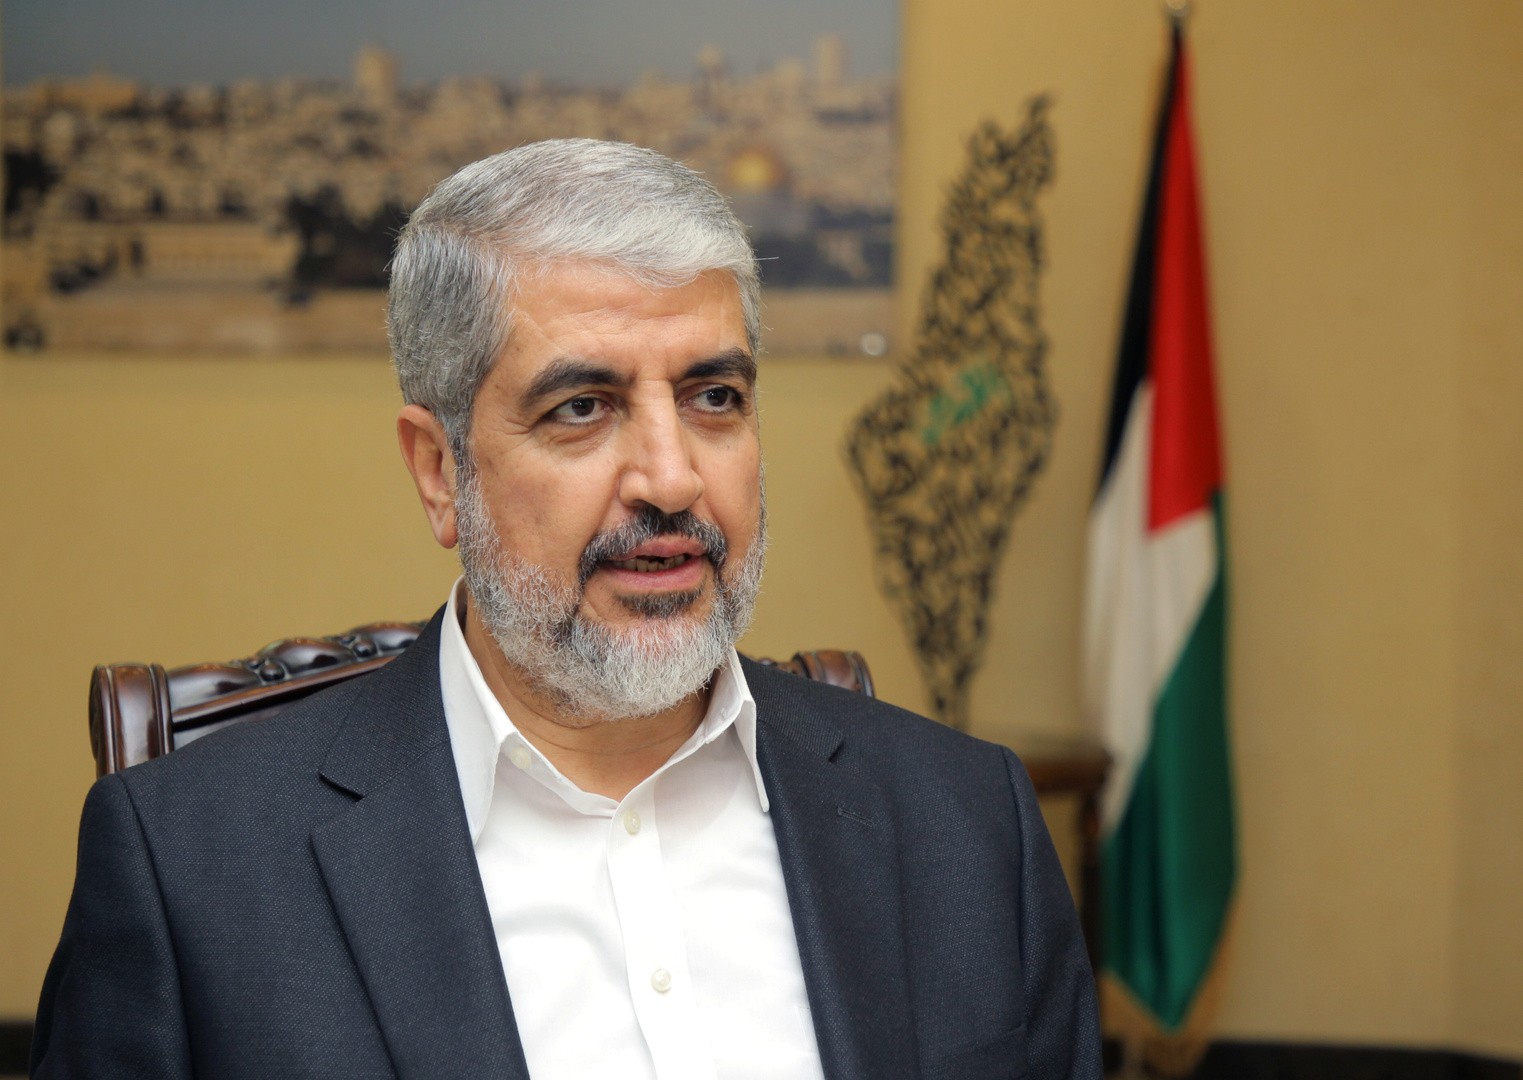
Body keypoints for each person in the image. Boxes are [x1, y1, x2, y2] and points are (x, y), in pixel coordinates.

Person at [32, 139, 1101, 1079]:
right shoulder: (192, 870)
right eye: (582, 408)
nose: (671, 479)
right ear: (438, 472)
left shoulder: (969, 827)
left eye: (714, 398)